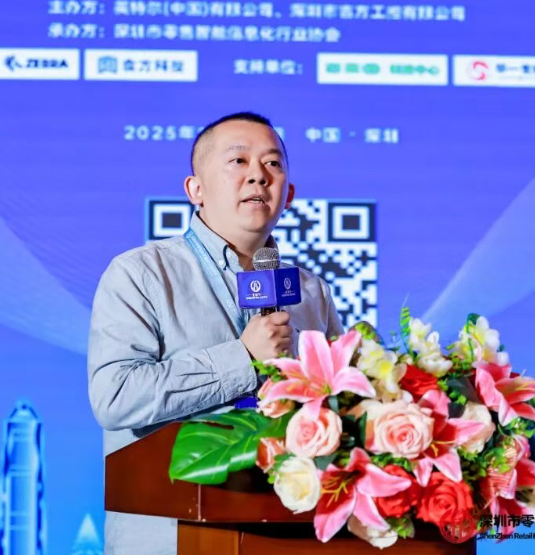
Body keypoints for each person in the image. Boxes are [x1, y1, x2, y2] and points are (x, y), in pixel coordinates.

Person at [87, 112, 346, 555]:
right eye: (238, 161)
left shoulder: (310, 291)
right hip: (171, 539)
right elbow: (115, 397)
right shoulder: (141, 274)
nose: (258, 176)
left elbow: (343, 406)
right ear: (196, 190)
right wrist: (243, 358)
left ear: (289, 195)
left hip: (290, 538)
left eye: (272, 164)